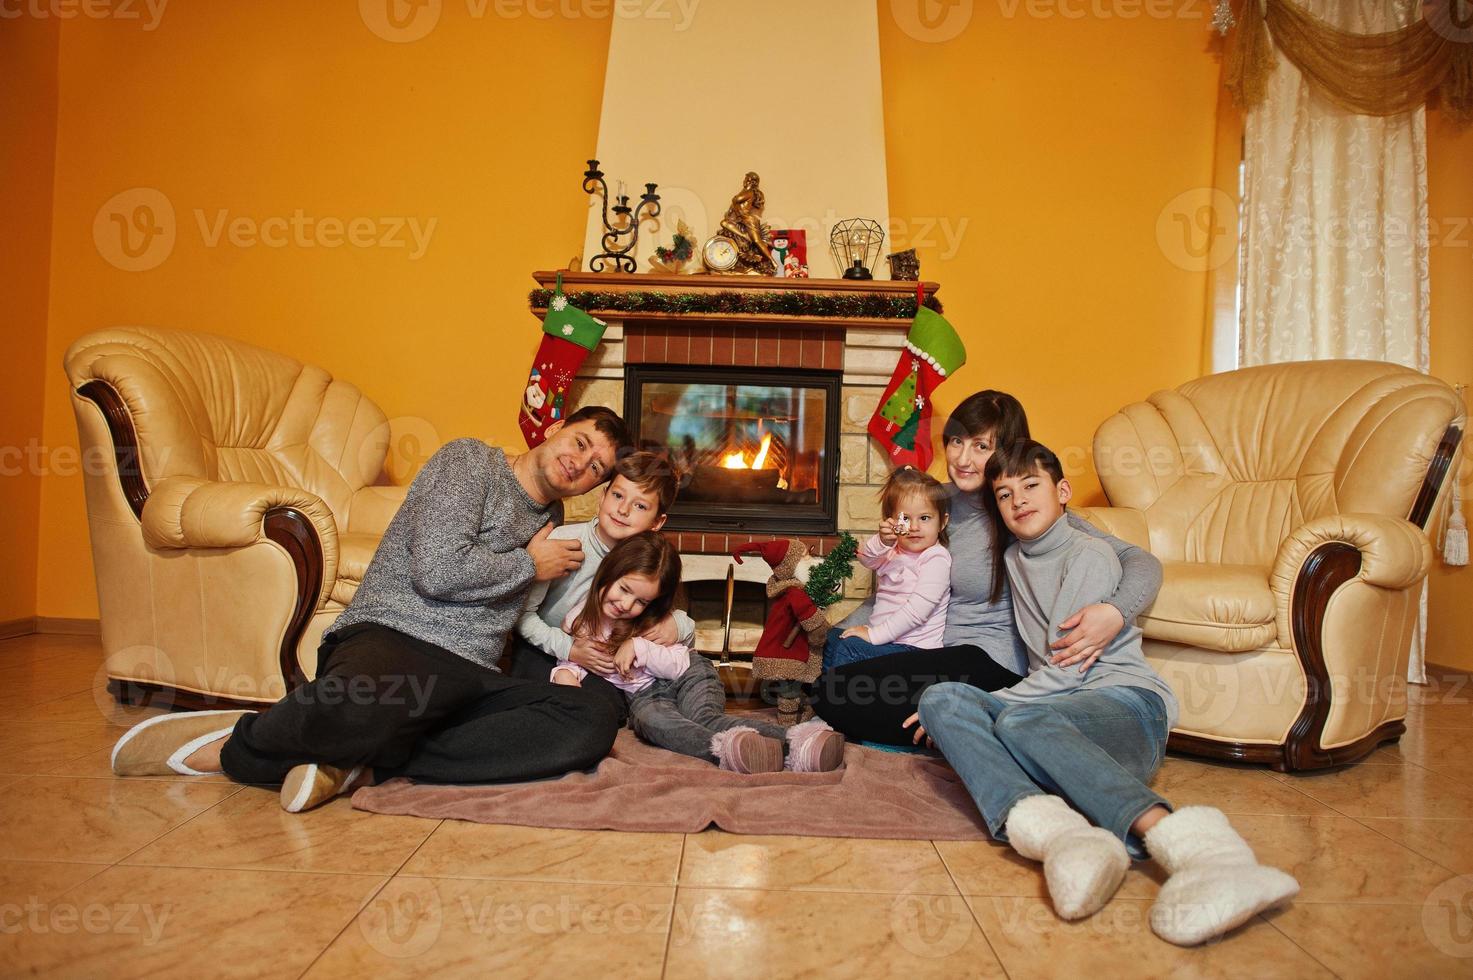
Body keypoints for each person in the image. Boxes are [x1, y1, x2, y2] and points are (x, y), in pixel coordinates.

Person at [110, 407, 633, 812]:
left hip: (470, 669)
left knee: (589, 719)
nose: (580, 463)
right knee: (364, 700)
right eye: (580, 443)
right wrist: (528, 564)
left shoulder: (552, 514)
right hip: (397, 634)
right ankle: (232, 747)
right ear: (558, 426)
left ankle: (358, 765)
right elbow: (438, 571)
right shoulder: (470, 462)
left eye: (596, 468)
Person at [914, 440, 1298, 945]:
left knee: (1016, 719)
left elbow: (1067, 670)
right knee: (940, 700)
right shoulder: (1013, 557)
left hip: (1126, 705)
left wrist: (995, 710)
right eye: (1005, 494)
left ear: (1063, 491)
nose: (1019, 501)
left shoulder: (1089, 554)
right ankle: (1065, 839)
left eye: (1032, 486)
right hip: (1056, 708)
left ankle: (1200, 852)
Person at [811, 390, 1162, 745]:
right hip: (927, 651)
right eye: (957, 442)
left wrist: (1116, 612)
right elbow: (896, 585)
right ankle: (942, 736)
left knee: (837, 691)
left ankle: (959, 733)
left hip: (989, 661)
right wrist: (834, 633)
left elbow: (1141, 562)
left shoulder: (1023, 509)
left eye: (982, 446)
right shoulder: (929, 502)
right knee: (834, 661)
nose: (963, 458)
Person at [552, 533, 845, 774]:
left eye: (640, 600)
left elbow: (677, 664)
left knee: (705, 717)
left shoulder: (651, 622)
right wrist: (565, 674)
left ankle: (800, 740)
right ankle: (735, 750)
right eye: (624, 589)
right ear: (607, 574)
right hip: (643, 695)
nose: (626, 605)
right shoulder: (578, 620)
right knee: (654, 724)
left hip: (688, 674)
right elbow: (574, 656)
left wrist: (639, 647)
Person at [505, 450, 694, 710]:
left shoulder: (653, 559)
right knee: (533, 695)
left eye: (640, 506)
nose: (623, 510)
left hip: (604, 664)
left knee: (605, 705)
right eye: (617, 495)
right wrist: (570, 650)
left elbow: (674, 616)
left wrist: (678, 625)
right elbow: (522, 616)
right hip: (545, 647)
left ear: (657, 522)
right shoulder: (563, 541)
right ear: (602, 497)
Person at [823, 467, 951, 668]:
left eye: (924, 518)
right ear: (892, 522)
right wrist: (882, 541)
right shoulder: (893, 550)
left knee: (849, 648)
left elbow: (917, 612)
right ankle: (826, 694)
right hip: (886, 642)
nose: (915, 527)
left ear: (942, 522)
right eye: (905, 519)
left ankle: (841, 696)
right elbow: (866, 559)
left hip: (915, 650)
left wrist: (874, 635)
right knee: (832, 637)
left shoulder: (935, 558)